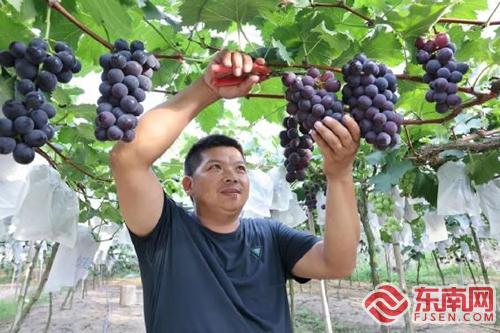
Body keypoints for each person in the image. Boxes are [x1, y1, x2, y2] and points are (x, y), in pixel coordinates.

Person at [109, 50, 361, 333]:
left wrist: (339, 175)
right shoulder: (165, 232)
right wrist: (206, 89)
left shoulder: (271, 237)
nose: (232, 175)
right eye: (215, 167)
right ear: (188, 185)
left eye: (240, 168)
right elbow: (127, 160)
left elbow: (338, 263)